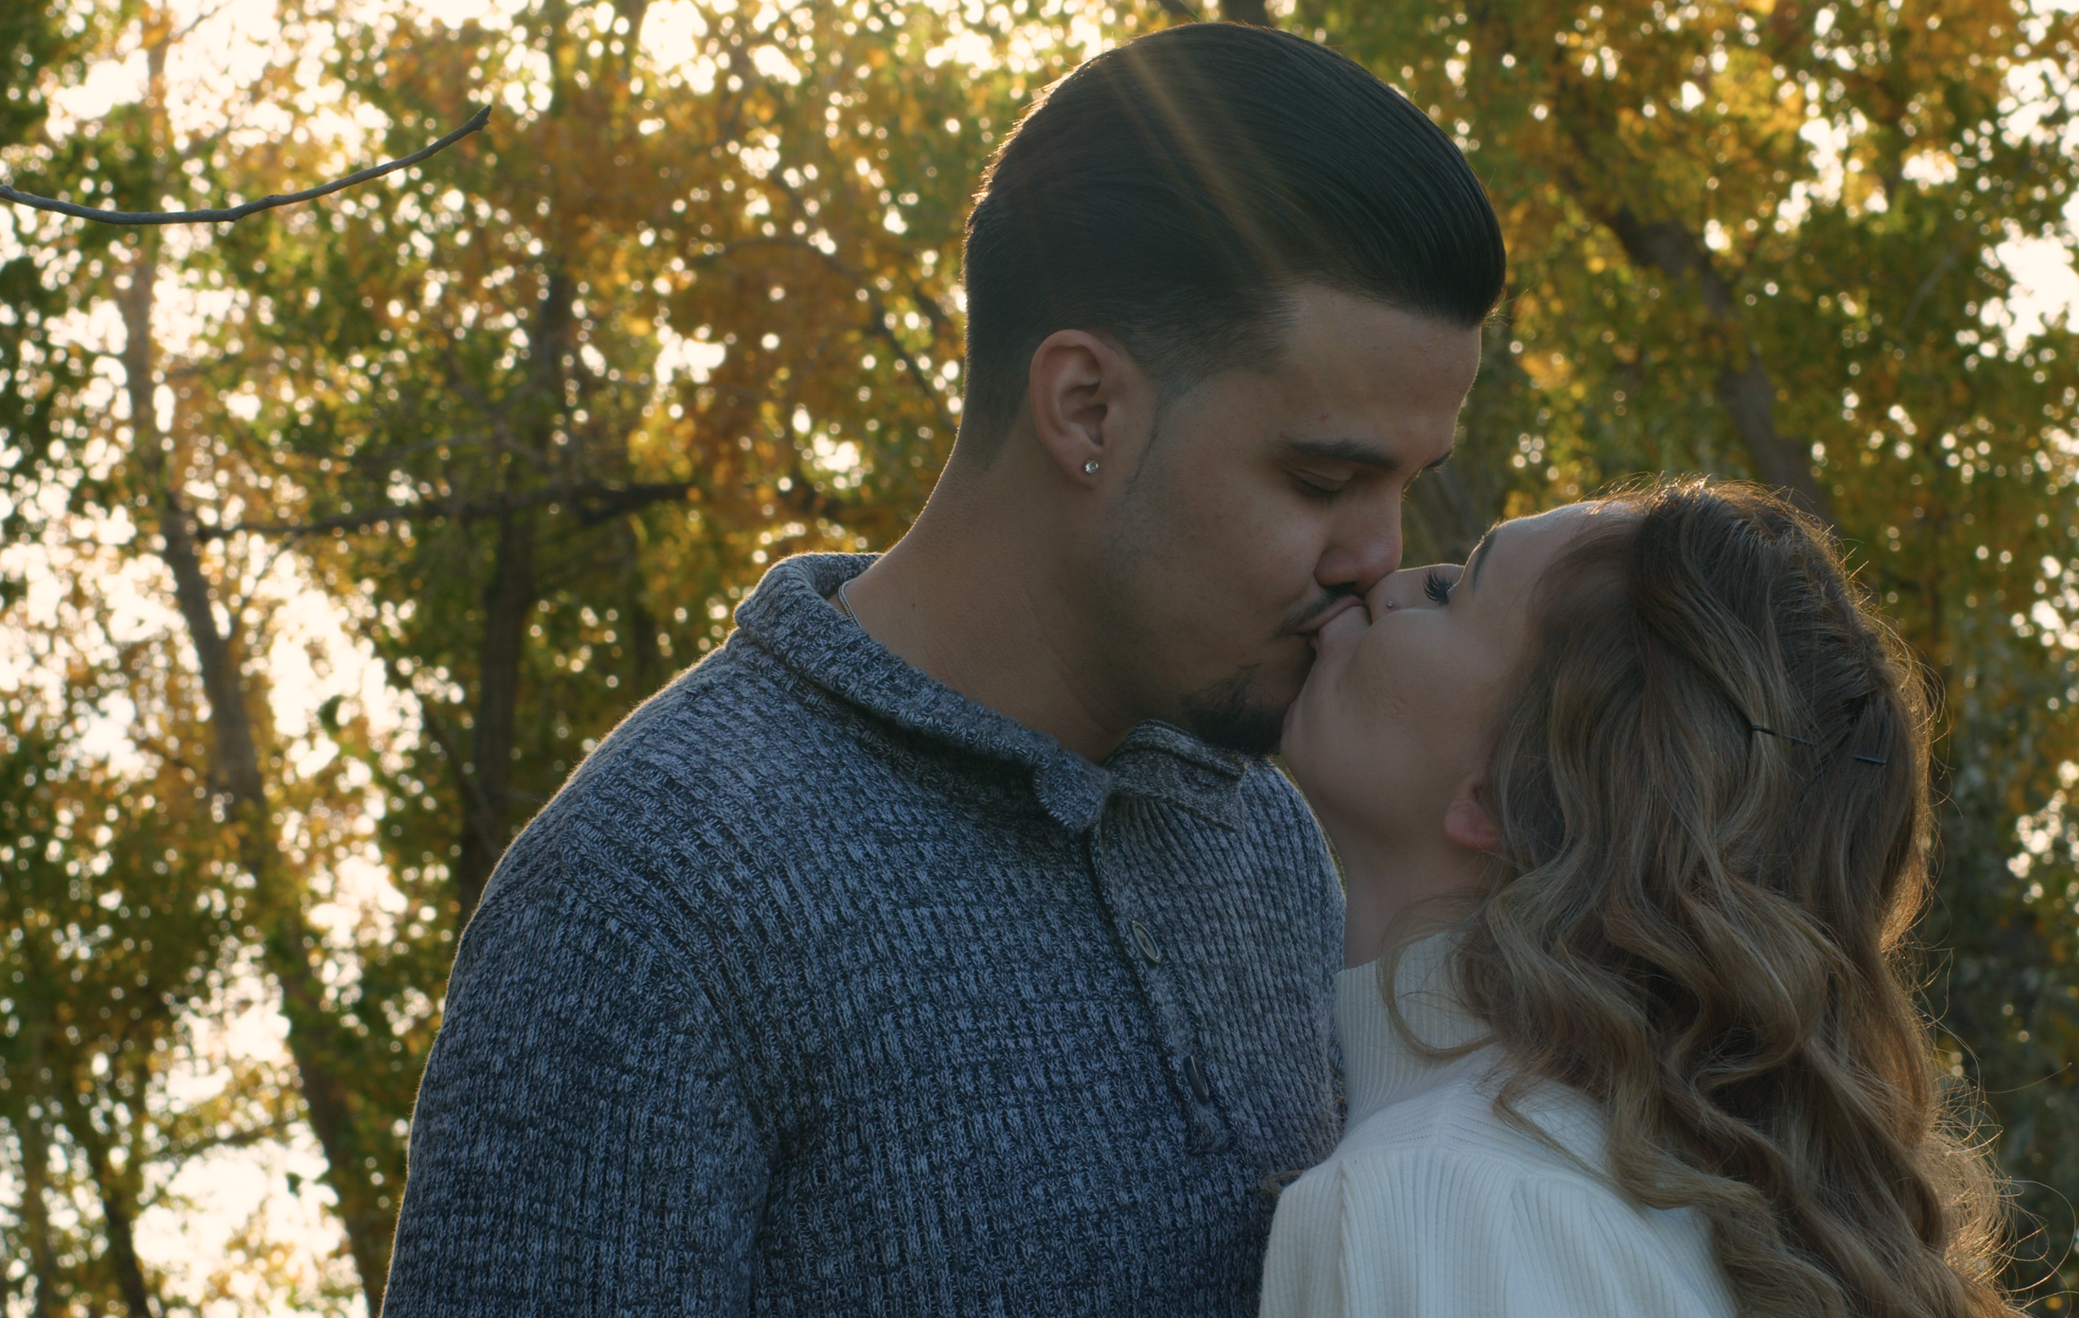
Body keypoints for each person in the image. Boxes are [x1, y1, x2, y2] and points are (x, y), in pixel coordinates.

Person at [381, 23, 1504, 1315]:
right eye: (1322, 478)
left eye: (1404, 487)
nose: (1379, 557)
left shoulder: (1262, 834)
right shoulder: (655, 898)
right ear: (1086, 408)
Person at [1262, 478, 2019, 1318]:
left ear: (1505, 797)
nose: (1385, 580)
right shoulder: (1681, 1214)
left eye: (1451, 591)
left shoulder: (1444, 1205)